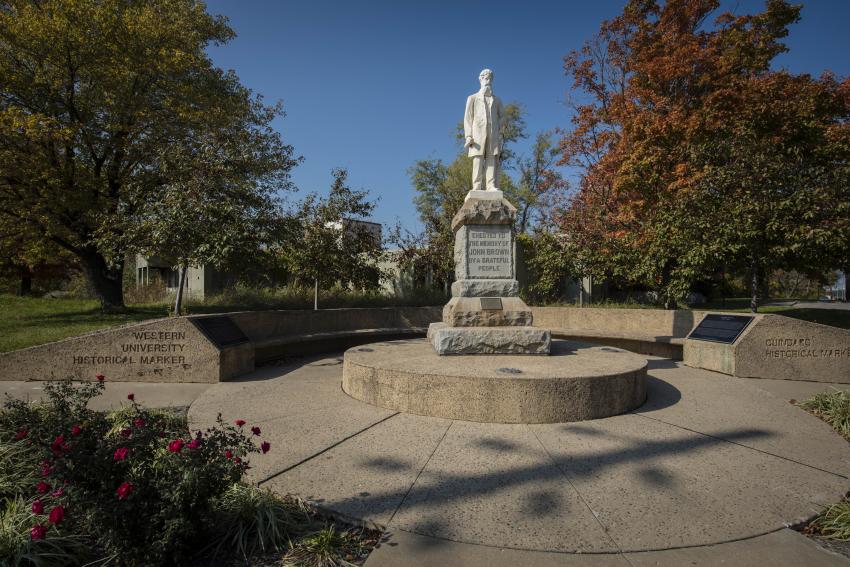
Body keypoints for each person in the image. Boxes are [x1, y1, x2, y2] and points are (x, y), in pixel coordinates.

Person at [464, 68, 503, 192]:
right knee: (478, 160)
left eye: (490, 79)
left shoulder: (497, 100)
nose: (488, 81)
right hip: (477, 135)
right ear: (480, 79)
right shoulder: (472, 98)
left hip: (493, 134)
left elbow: (503, 116)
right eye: (485, 78)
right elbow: (468, 118)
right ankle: (477, 186)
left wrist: (500, 130)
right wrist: (468, 136)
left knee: (491, 158)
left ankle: (491, 185)